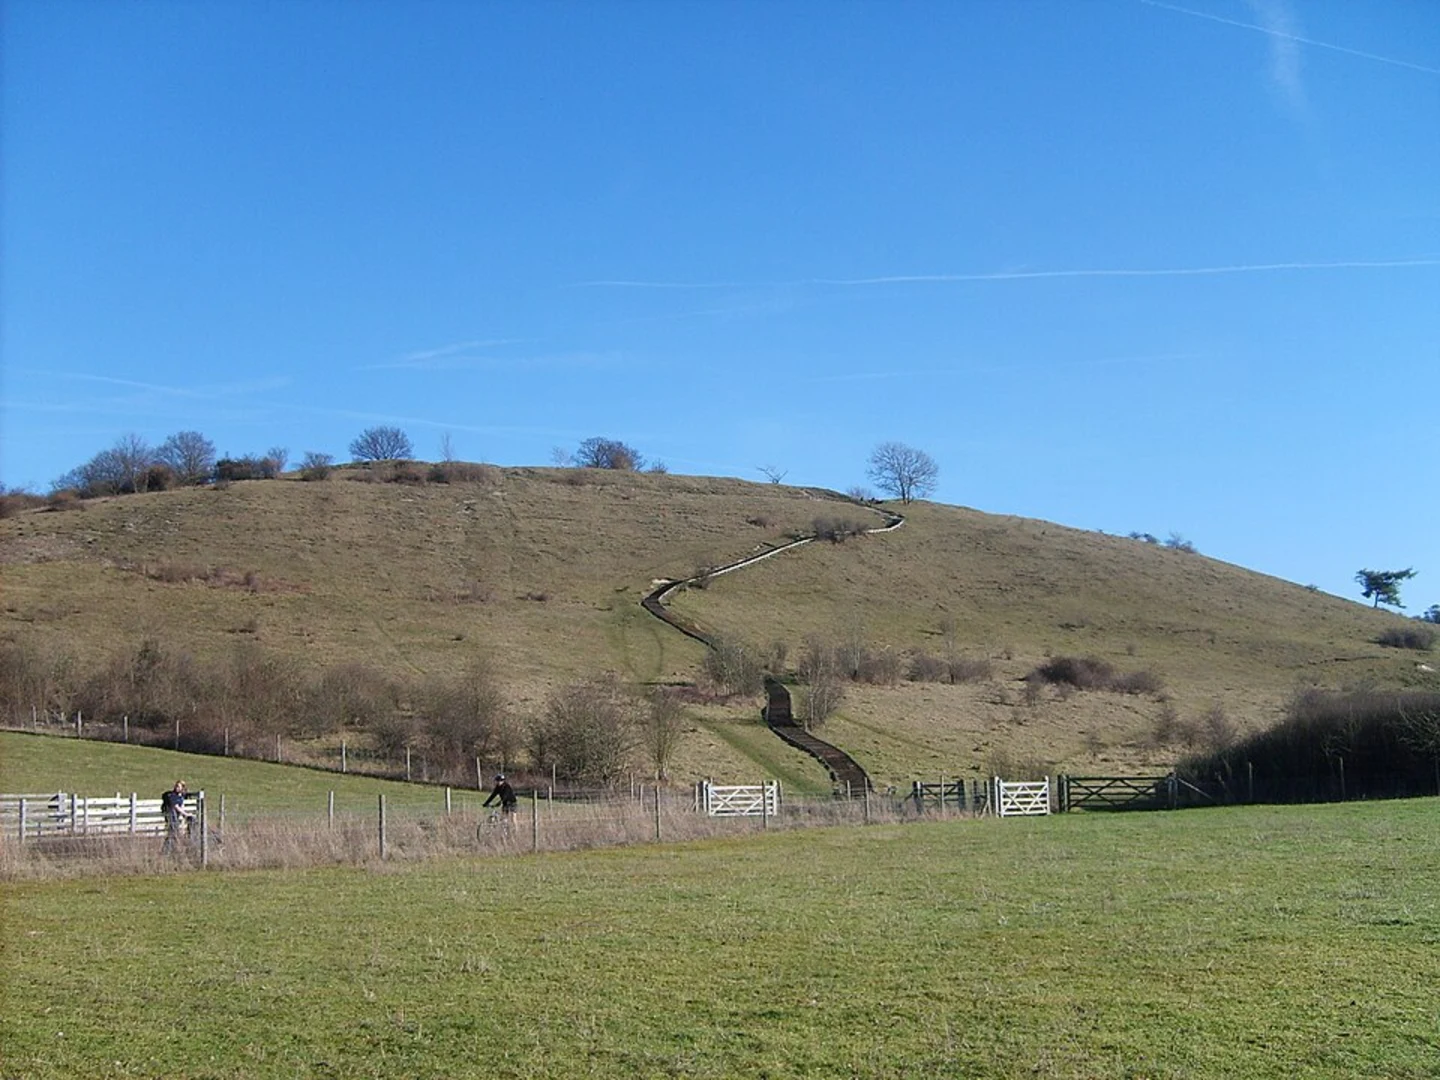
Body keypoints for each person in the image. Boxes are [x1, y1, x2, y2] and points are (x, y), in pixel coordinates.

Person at [161, 780, 191, 853]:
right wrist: (185, 814)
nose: (176, 787)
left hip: (176, 818)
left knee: (172, 833)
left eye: (178, 786)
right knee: (173, 832)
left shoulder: (181, 796)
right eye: (176, 786)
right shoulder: (172, 796)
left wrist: (184, 814)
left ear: (182, 788)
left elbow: (181, 805)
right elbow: (176, 807)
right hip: (171, 817)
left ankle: (167, 849)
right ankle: (168, 850)